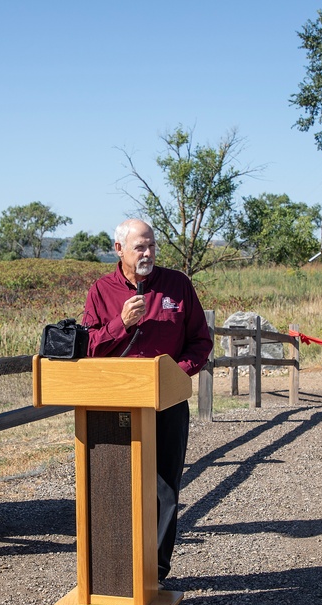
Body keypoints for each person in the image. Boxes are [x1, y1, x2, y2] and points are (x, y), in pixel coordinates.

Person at [82, 218, 213, 583]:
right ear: (119, 249)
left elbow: (201, 342)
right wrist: (120, 324)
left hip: (167, 403)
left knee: (164, 487)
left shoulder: (178, 285)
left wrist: (175, 374)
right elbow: (88, 348)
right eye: (140, 246)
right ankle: (116, 569)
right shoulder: (101, 291)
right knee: (113, 483)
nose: (148, 253)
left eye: (152, 245)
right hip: (115, 403)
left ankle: (155, 572)